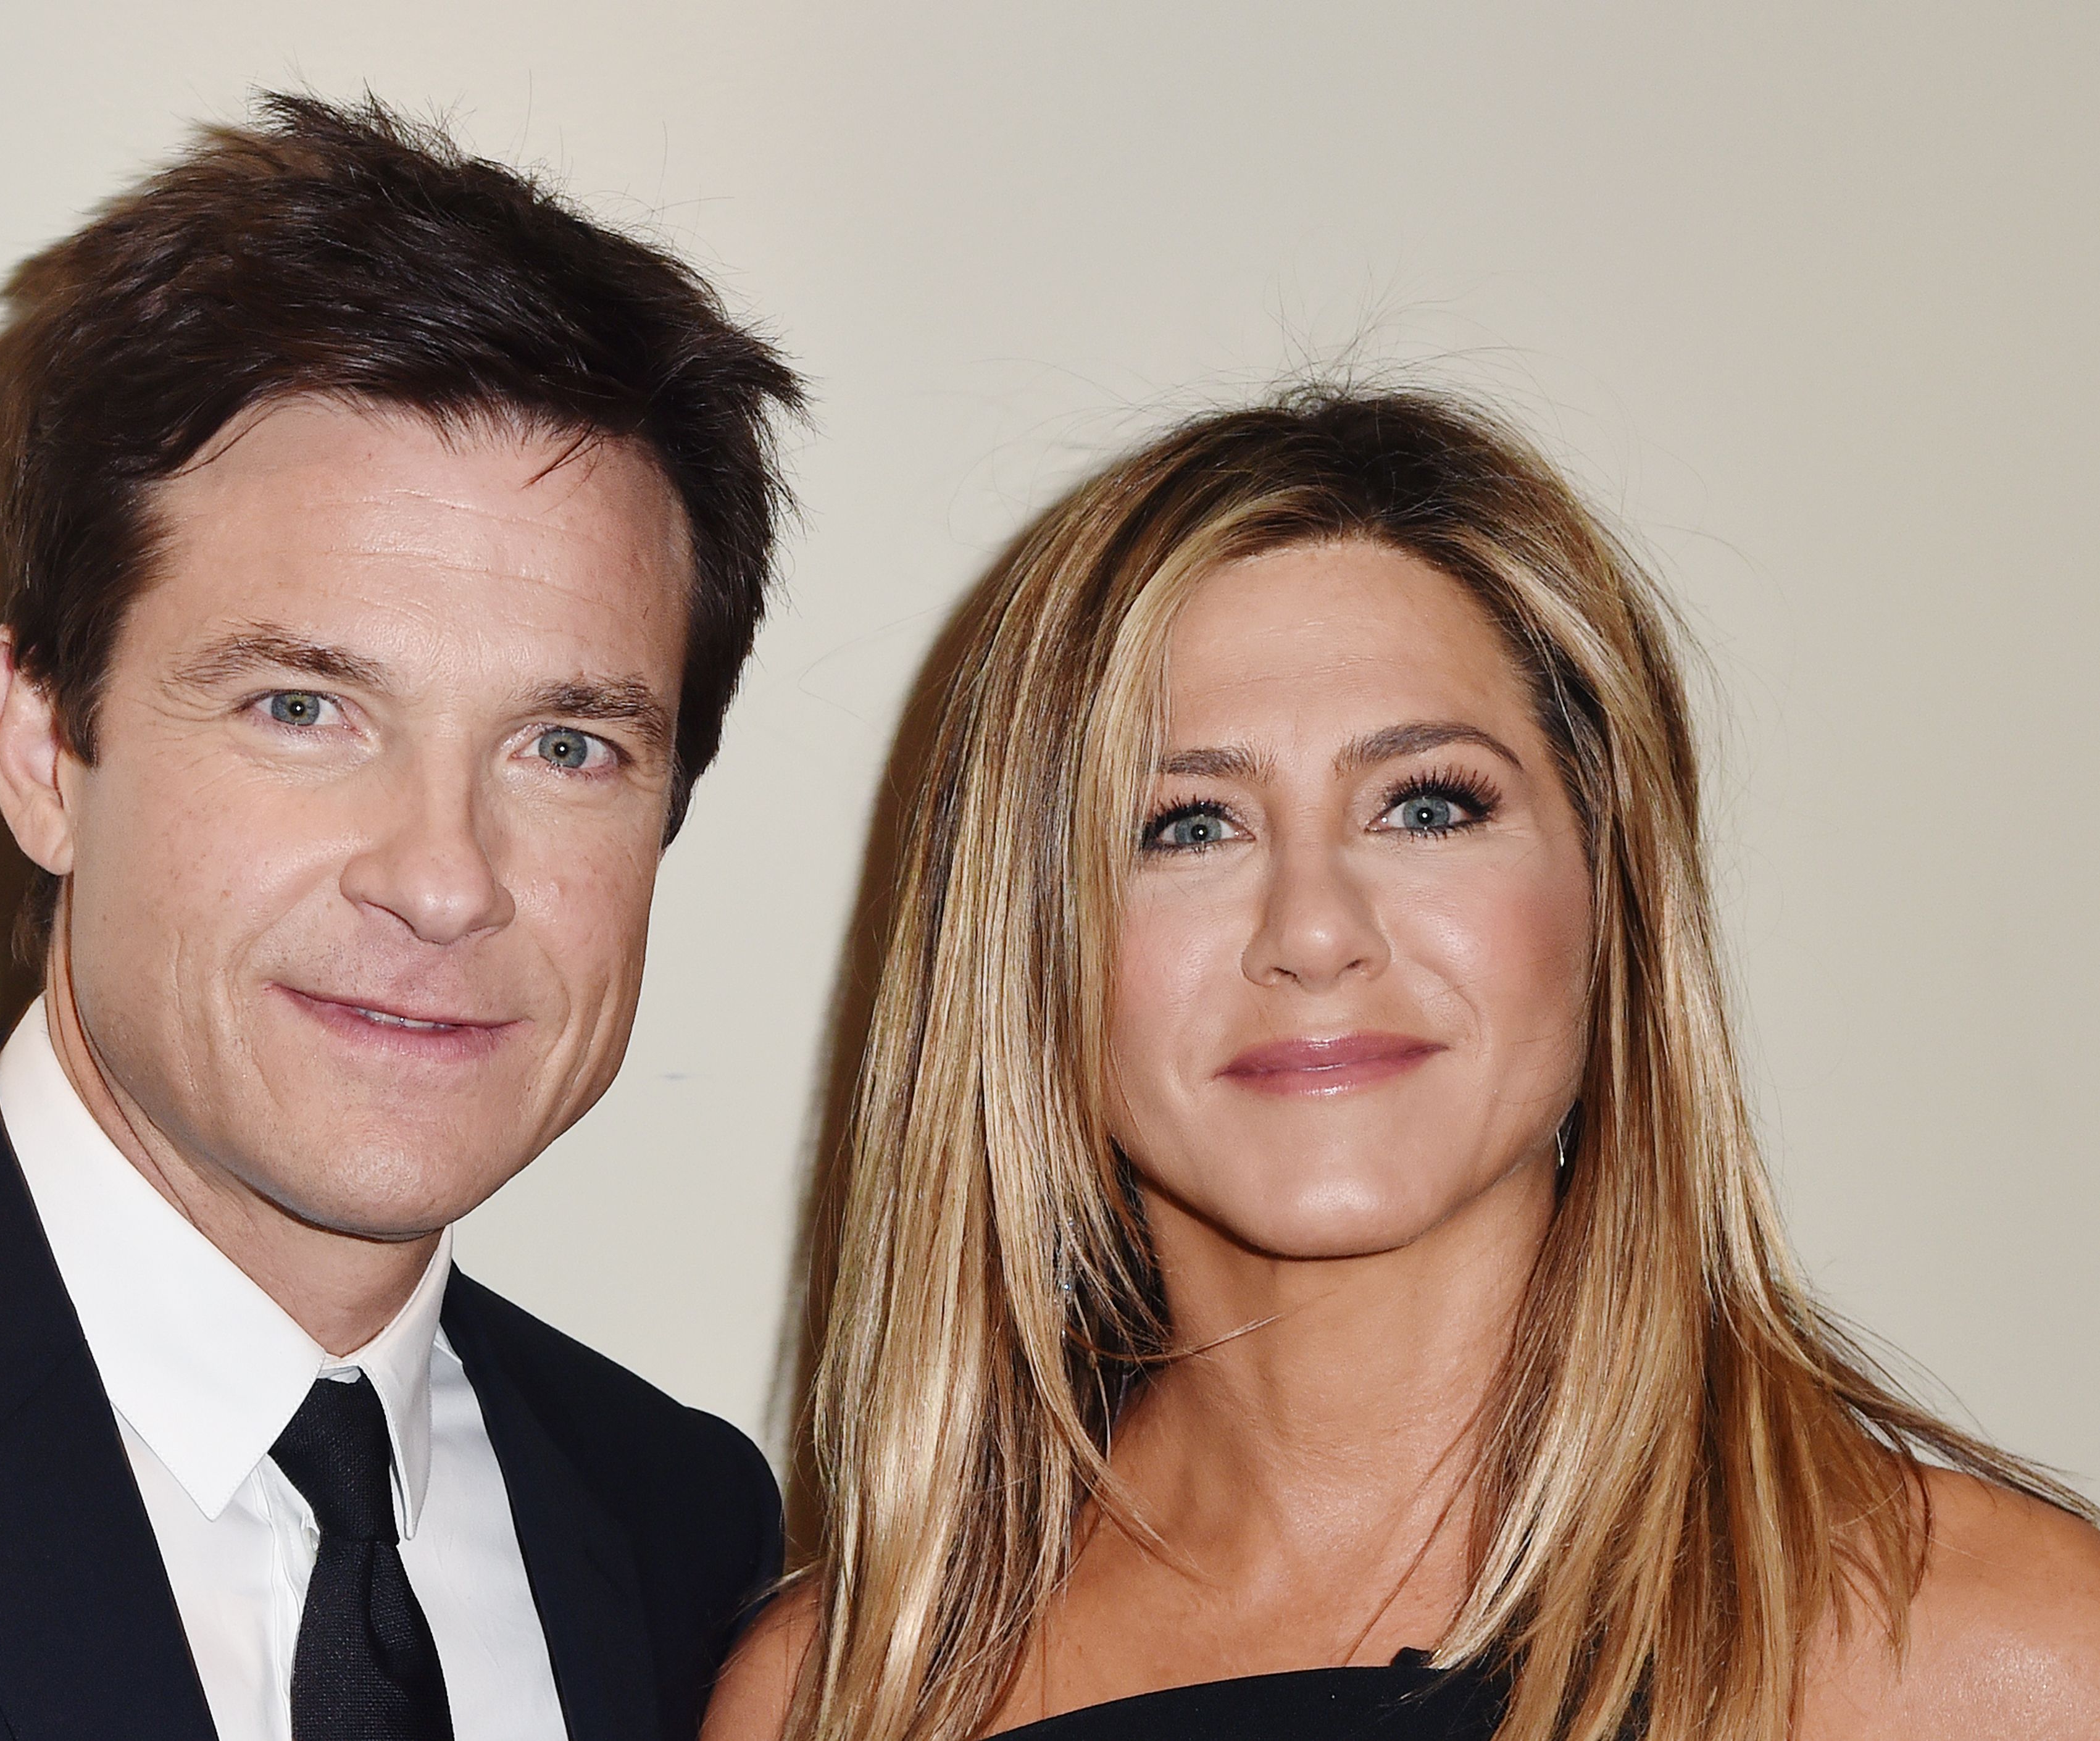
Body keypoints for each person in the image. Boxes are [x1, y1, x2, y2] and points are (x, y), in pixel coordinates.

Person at [0, 93, 802, 1741]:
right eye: (303, 708)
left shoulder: (690, 1542)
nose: (444, 878)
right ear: (44, 751)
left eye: (565, 744)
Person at [707, 390, 2100, 1741]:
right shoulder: (832, 1699)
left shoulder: (2016, 1661)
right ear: (1023, 947)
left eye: (1425, 806)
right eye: (1186, 826)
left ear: (1611, 890)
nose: (1315, 932)